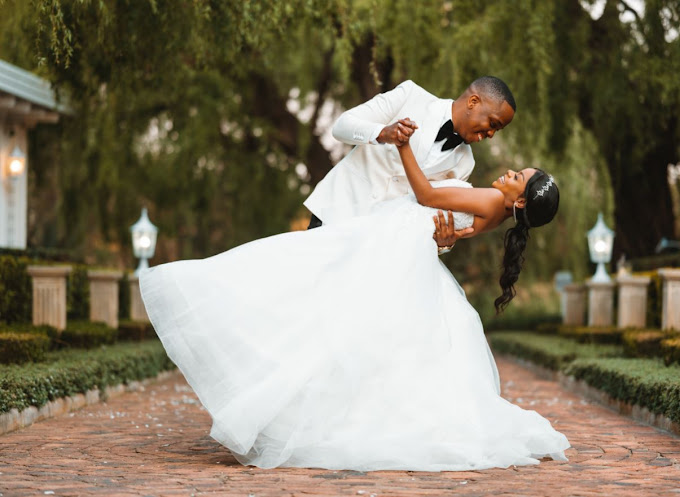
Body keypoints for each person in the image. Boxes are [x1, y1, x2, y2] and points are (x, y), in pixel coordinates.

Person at [139, 120, 568, 472]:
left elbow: (428, 196)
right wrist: (445, 238)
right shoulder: (496, 213)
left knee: (314, 287)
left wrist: (403, 147)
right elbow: (452, 231)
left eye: (518, 178)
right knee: (359, 326)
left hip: (391, 243)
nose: (510, 172)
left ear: (520, 203)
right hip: (406, 247)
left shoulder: (491, 197)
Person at [305, 76, 517, 254]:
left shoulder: (465, 164)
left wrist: (444, 244)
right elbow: (341, 126)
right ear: (473, 102)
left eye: (496, 131)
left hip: (376, 244)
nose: (490, 134)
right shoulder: (410, 96)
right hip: (337, 210)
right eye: (493, 124)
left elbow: (433, 217)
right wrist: (382, 133)